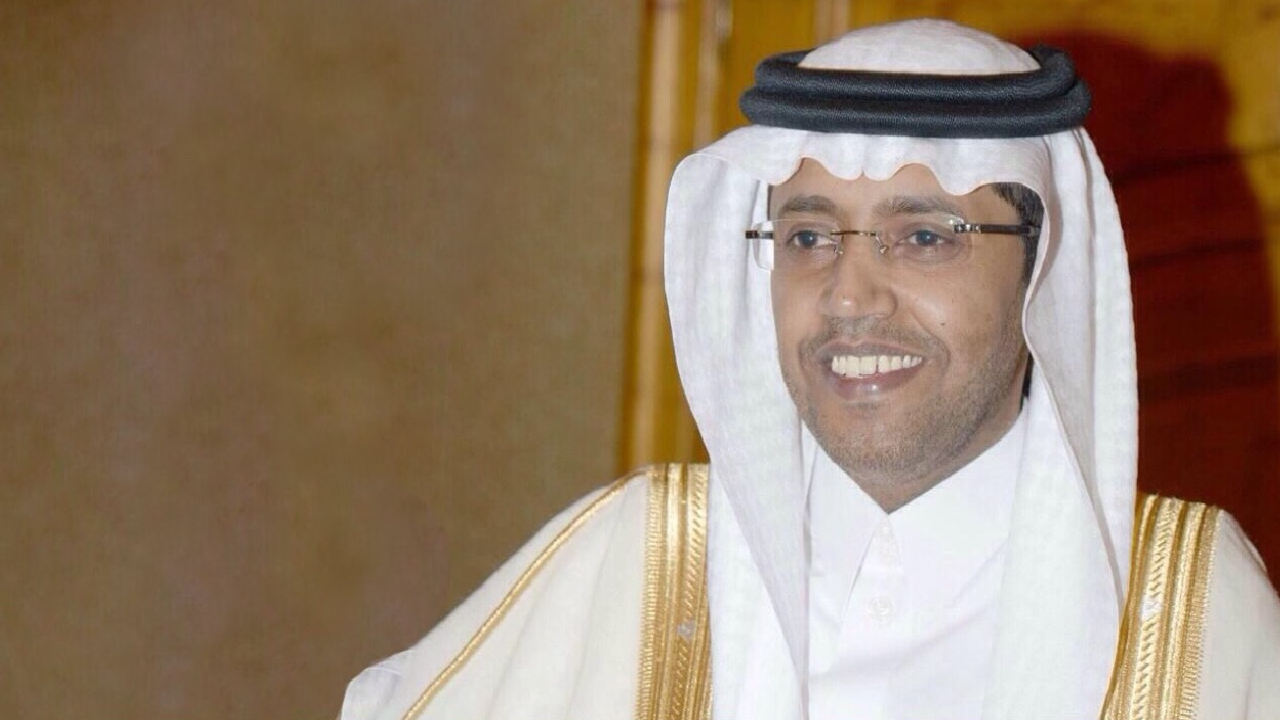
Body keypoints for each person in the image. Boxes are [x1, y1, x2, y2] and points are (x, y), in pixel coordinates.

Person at [339, 19, 1280, 720]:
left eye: (923, 237)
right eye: (808, 236)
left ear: (1040, 270)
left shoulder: (1186, 611)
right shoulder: (637, 563)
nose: (849, 296)